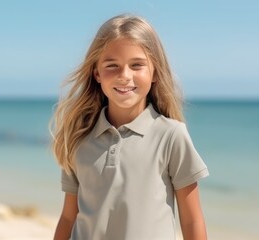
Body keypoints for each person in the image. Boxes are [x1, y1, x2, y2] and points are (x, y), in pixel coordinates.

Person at [51, 14, 209, 240]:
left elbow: (192, 220)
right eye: (112, 65)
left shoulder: (171, 136)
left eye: (137, 65)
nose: (124, 76)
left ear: (154, 71)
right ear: (97, 73)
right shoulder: (79, 140)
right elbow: (68, 217)